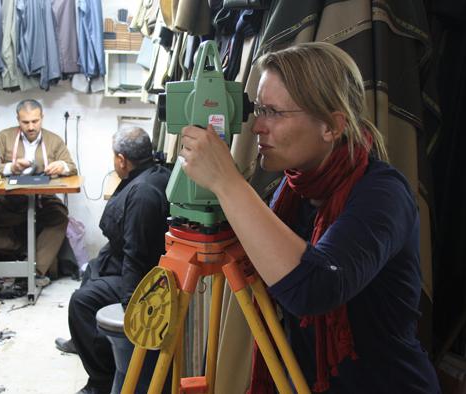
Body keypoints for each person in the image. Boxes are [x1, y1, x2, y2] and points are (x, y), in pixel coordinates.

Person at [178, 42, 440, 393]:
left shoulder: (384, 194)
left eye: (273, 111)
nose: (257, 126)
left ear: (331, 126)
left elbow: (315, 287)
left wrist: (227, 182)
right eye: (258, 108)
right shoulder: (291, 191)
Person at [63, 127, 170, 394]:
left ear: (122, 159)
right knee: (92, 271)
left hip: (141, 275)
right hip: (123, 259)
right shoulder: (152, 173)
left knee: (81, 302)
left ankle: (100, 381)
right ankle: (83, 338)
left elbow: (137, 254)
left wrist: (130, 304)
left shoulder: (142, 194)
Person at [0, 99, 77, 279]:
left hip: (42, 200)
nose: (31, 127)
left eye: (35, 121)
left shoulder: (54, 140)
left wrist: (61, 166)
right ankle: (25, 250)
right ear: (18, 119)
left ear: (42, 118)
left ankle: (36, 272)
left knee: (59, 217)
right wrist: (11, 167)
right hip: (8, 200)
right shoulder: (4, 137)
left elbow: (72, 166)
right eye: (25, 122)